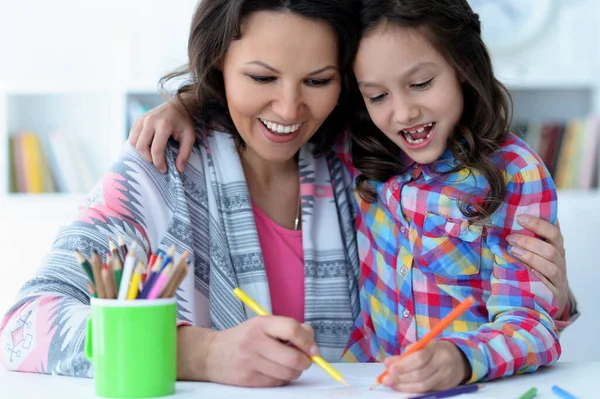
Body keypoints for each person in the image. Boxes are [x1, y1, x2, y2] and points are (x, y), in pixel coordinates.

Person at [1, 0, 576, 390]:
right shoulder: (159, 168)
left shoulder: (366, 164)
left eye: (319, 82)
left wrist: (553, 300)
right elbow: (23, 327)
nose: (288, 110)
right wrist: (201, 355)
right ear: (216, 66)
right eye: (260, 78)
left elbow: (459, 287)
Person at [339, 0, 569, 392]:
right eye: (377, 96)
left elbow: (531, 326)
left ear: (463, 66)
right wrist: (191, 104)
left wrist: (461, 359)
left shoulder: (516, 173)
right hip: (369, 384)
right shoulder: (363, 155)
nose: (403, 113)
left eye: (421, 83)